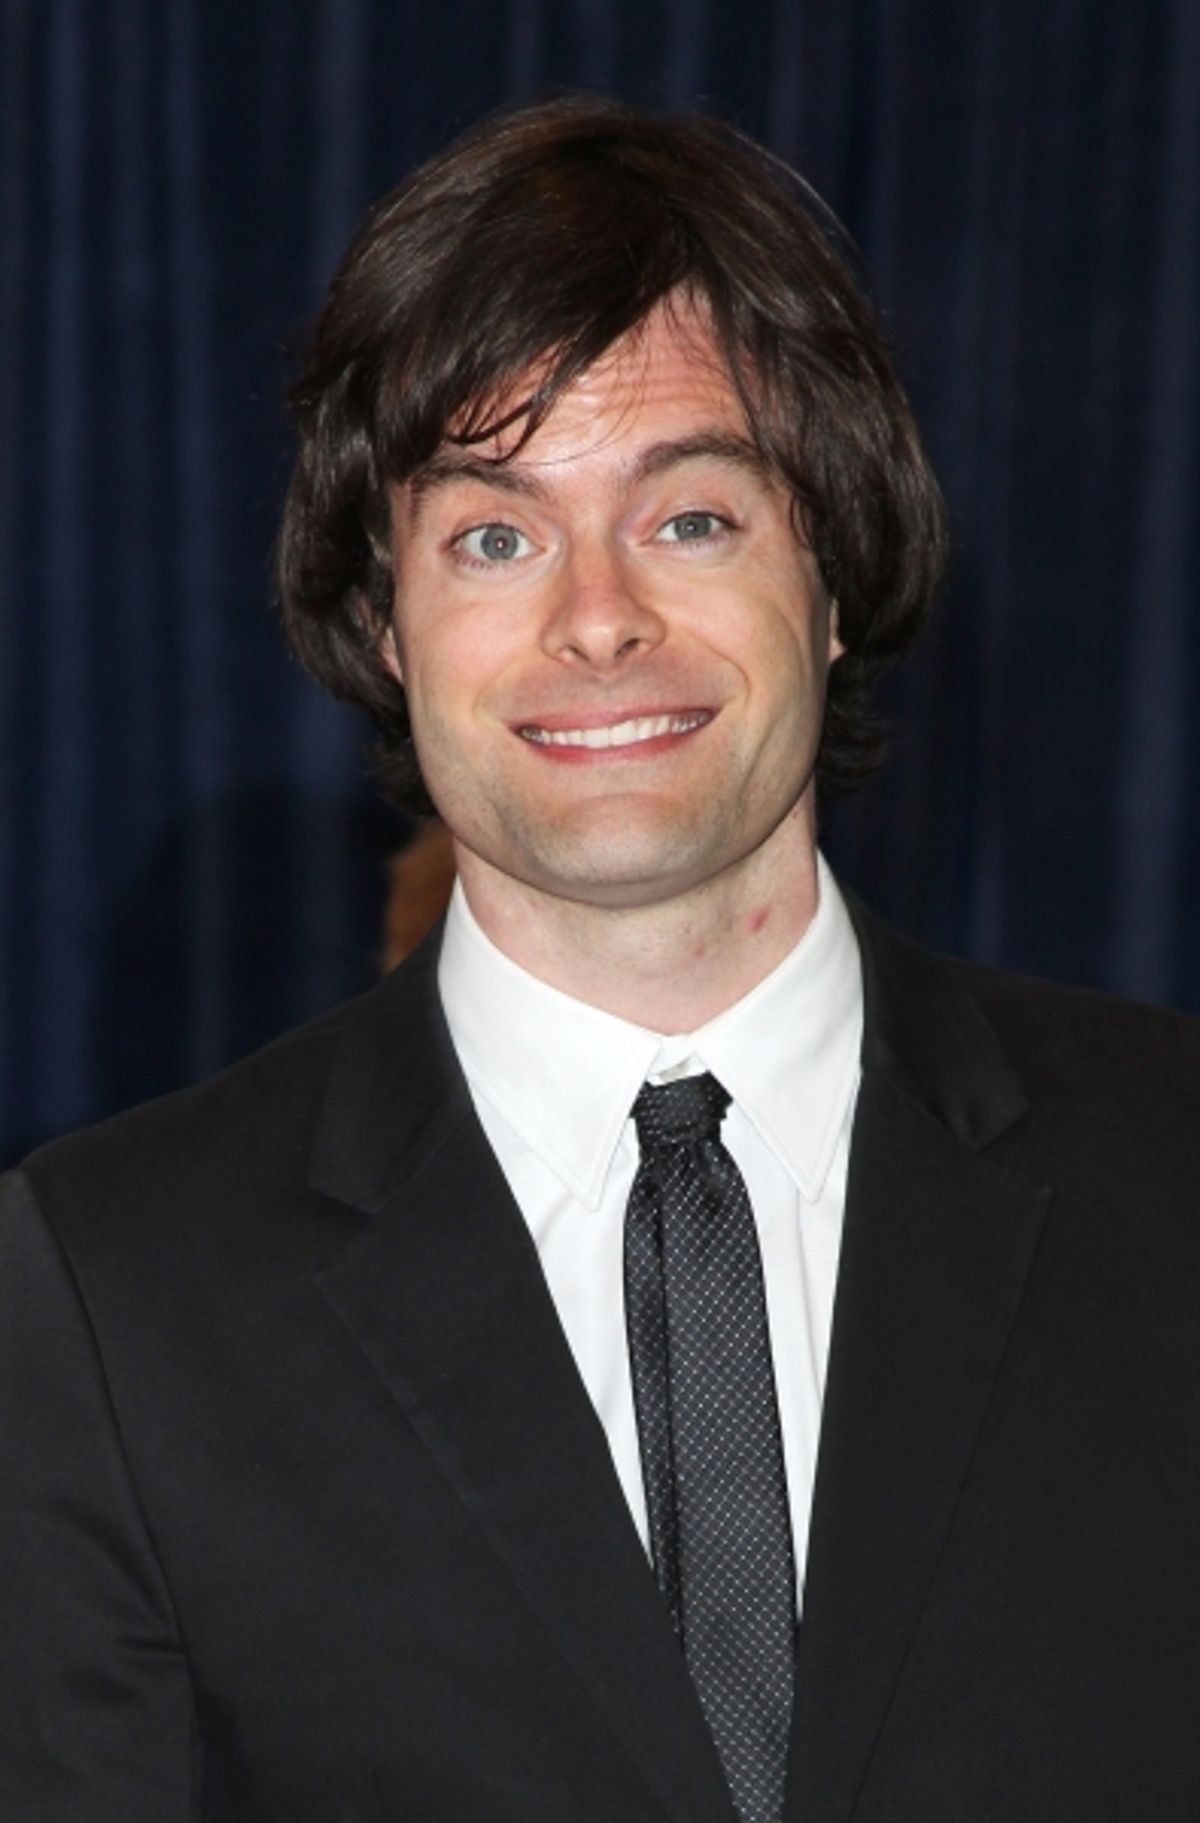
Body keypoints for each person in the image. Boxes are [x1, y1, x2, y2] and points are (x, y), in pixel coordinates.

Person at [3, 95, 1199, 1823]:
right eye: (493, 534)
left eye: (692, 515)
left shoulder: (1171, 1170)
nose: (597, 616)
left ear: (836, 567)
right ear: (385, 619)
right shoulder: (112, 1290)